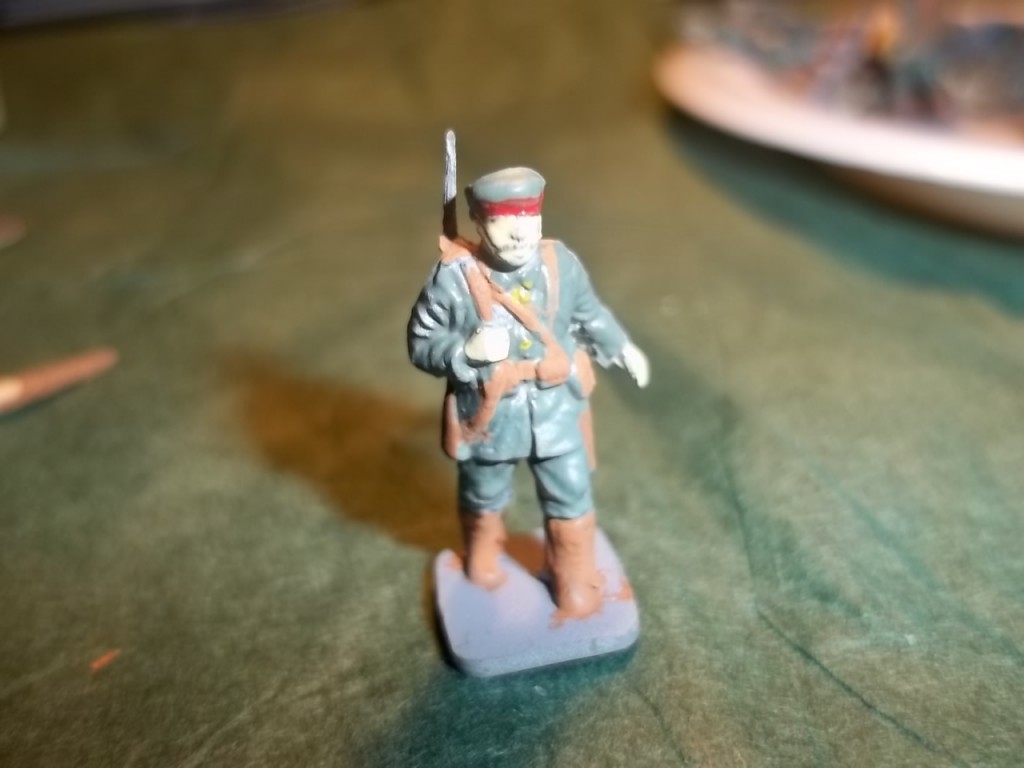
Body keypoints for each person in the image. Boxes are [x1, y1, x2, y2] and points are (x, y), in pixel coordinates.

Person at [407, 166, 649, 620]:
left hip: (556, 408)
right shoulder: (454, 278)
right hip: (489, 414)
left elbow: (589, 314)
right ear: (480, 222)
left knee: (571, 490)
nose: (519, 233)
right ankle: (482, 555)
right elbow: (421, 344)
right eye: (502, 221)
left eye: (528, 218)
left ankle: (574, 577)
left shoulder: (560, 264)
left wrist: (621, 347)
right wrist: (467, 351)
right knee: (484, 491)